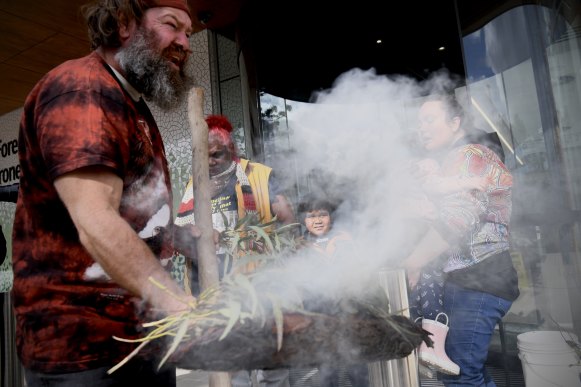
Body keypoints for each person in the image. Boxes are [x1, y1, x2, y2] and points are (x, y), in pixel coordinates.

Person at [11, 1, 203, 386]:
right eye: (172, 26)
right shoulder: (82, 90)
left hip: (141, 338)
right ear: (124, 22)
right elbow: (97, 221)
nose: (185, 43)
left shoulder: (131, 103)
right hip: (85, 350)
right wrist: (177, 302)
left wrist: (186, 240)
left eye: (188, 33)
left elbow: (138, 219)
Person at [400, 94, 519, 386]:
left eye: (429, 120)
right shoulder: (453, 160)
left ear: (455, 122)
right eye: (419, 122)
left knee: (462, 375)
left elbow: (457, 219)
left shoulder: (470, 154)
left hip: (478, 281)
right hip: (468, 281)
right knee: (463, 372)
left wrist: (413, 261)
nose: (422, 128)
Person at [174, 114, 296, 387]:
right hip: (214, 292)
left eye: (216, 154)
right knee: (230, 369)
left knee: (271, 363)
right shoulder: (193, 186)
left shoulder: (259, 176)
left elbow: (288, 224)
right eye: (203, 156)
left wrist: (232, 240)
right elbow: (182, 235)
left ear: (232, 150)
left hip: (259, 288)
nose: (210, 161)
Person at [298, 195, 369, 387]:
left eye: (322, 215)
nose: (318, 220)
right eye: (311, 216)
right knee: (327, 370)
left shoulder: (344, 239)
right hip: (319, 317)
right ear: (303, 220)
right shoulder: (298, 245)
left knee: (357, 367)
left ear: (330, 217)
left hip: (349, 314)